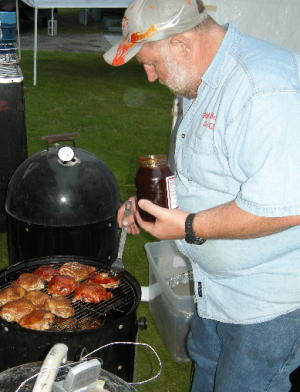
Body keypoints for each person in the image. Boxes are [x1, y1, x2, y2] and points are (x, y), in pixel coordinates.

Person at [103, 0, 300, 390]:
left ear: (182, 44)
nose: (150, 77)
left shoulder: (263, 90)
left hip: (267, 307)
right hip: (216, 292)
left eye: (151, 63)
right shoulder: (202, 82)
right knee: (207, 372)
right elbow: (212, 176)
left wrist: (190, 225)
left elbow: (287, 208)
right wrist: (154, 208)